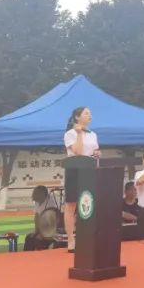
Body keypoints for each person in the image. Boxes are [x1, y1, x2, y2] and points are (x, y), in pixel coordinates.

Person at [64, 106, 100, 252]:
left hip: (89, 170)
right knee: (71, 205)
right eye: (86, 113)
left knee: (87, 203)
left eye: (90, 113)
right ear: (77, 117)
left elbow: (94, 152)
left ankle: (85, 237)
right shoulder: (70, 134)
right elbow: (78, 151)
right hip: (74, 170)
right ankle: (71, 240)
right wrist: (79, 133)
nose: (89, 115)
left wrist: (97, 153)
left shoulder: (93, 134)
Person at [24, 185, 61, 252]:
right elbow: (37, 216)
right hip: (42, 229)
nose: (34, 196)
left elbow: (53, 222)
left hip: (52, 232)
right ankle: (26, 255)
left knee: (38, 241)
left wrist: (42, 234)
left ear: (42, 194)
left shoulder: (52, 203)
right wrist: (36, 231)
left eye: (36, 194)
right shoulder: (37, 201)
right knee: (29, 237)